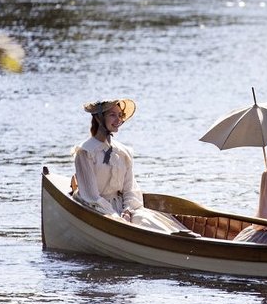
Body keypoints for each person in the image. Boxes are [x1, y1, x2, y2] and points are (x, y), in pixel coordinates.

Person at [73, 98, 189, 234]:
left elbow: (130, 189)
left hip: (121, 206)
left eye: (120, 115)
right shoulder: (85, 152)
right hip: (96, 208)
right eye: (112, 115)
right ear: (99, 118)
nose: (118, 120)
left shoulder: (123, 152)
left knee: (144, 219)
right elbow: (92, 196)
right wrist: (117, 218)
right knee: (124, 225)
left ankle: (180, 239)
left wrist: (127, 211)